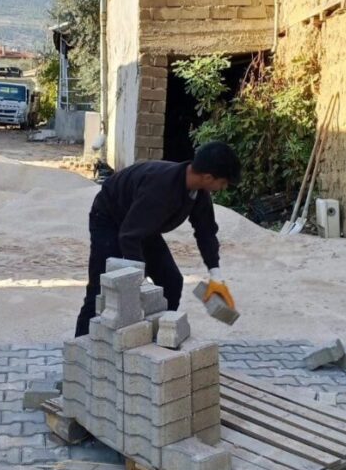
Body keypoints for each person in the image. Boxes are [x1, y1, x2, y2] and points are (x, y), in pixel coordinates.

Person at [75, 142, 241, 337]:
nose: (222, 188)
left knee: (172, 282)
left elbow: (206, 232)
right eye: (222, 183)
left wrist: (215, 275)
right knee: (100, 289)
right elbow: (128, 237)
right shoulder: (161, 187)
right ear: (208, 177)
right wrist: (139, 280)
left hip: (141, 225)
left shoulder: (199, 192)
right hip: (110, 219)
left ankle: (161, 337)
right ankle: (80, 346)